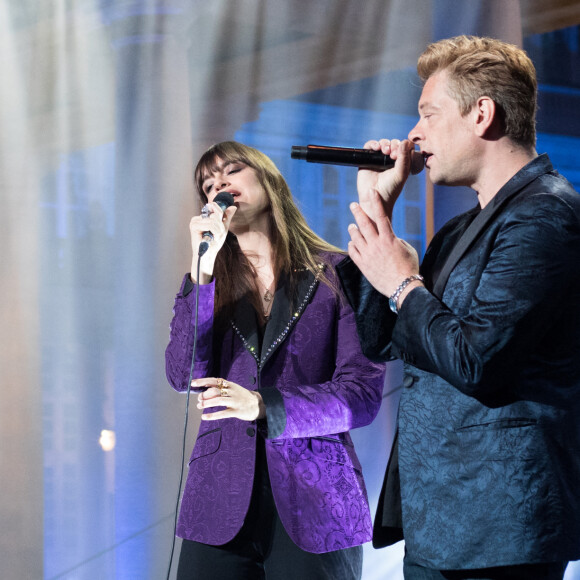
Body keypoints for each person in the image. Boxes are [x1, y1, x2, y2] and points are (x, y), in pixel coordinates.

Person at [337, 35, 580, 579]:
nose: (413, 134)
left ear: (482, 114)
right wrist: (377, 212)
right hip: (439, 518)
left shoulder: (545, 216)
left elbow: (477, 359)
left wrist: (403, 285)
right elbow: (383, 341)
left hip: (501, 522)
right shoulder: (458, 230)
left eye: (428, 113)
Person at [165, 141, 386, 580]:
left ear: (268, 178)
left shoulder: (338, 275)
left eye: (231, 172)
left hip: (318, 495)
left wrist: (265, 405)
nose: (219, 185)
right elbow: (181, 373)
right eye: (208, 184)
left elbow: (360, 394)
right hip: (218, 500)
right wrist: (201, 272)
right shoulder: (206, 284)